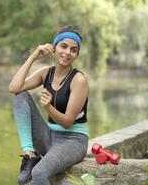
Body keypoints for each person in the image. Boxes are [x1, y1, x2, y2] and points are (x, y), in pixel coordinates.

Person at [8, 25, 89, 185]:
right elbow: (14, 88)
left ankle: (36, 165)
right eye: (63, 46)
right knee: (20, 96)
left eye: (73, 50)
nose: (67, 53)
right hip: (50, 137)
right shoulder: (46, 73)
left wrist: (48, 107)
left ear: (77, 54)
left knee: (39, 172)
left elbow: (67, 122)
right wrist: (33, 56)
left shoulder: (78, 80)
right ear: (54, 47)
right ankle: (29, 155)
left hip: (73, 141)